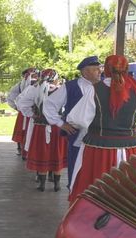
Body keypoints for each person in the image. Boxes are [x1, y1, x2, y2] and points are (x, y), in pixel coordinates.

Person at [67, 54, 136, 203]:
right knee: (125, 190)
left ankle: (91, 219)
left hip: (98, 148)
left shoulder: (95, 90)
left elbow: (76, 119)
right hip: (128, 149)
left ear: (105, 70)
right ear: (126, 69)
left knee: (95, 187)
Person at [43, 55, 103, 189]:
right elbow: (49, 104)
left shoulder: (104, 86)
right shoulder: (70, 87)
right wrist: (61, 124)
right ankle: (75, 197)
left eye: (100, 69)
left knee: (98, 174)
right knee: (77, 171)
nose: (100, 72)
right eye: (96, 69)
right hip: (78, 138)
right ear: (85, 72)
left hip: (100, 138)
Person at [17, 68, 67, 192]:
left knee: (42, 153)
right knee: (57, 153)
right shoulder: (61, 90)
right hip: (56, 126)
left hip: (40, 127)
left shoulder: (34, 89)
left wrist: (31, 114)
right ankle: (57, 184)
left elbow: (21, 103)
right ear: (55, 79)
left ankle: (42, 184)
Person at [8, 67, 39, 157]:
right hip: (24, 113)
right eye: (31, 75)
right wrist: (17, 107)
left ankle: (30, 151)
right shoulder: (20, 86)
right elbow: (10, 97)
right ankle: (21, 149)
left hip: (35, 113)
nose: (33, 77)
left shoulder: (39, 85)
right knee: (22, 131)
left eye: (35, 75)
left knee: (32, 133)